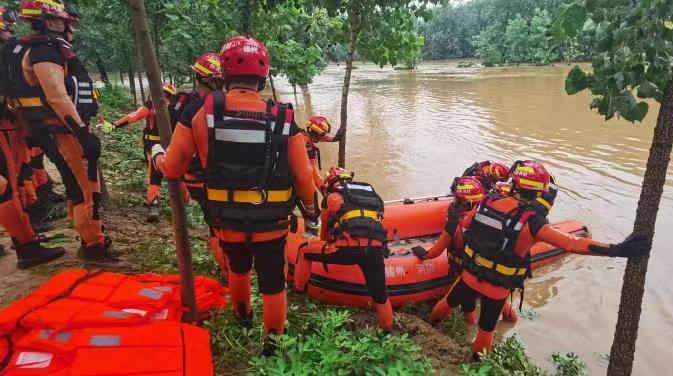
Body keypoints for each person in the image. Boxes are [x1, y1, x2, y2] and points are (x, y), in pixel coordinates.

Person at [151, 35, 318, 356]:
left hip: (226, 220)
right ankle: (272, 347)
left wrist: (157, 153)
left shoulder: (199, 113)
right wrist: (312, 214)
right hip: (271, 223)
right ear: (264, 76)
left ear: (224, 75)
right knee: (272, 284)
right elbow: (304, 178)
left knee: (238, 269)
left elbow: (172, 168)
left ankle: (243, 318)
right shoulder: (284, 119)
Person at [427, 160, 651, 359]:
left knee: (447, 304)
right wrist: (619, 249)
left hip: (470, 274)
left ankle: (429, 328)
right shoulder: (533, 222)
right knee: (486, 330)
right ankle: (476, 364)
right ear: (539, 194)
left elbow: (465, 226)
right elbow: (572, 244)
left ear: (513, 183)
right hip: (497, 287)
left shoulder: (484, 202)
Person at [2, 0, 111, 260]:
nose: (69, 30)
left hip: (45, 129)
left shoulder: (17, 50)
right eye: (65, 23)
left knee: (75, 183)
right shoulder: (44, 51)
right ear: (51, 22)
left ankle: (88, 238)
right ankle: (94, 244)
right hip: (63, 131)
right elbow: (57, 96)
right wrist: (83, 135)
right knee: (87, 187)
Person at [0, 4, 65, 268]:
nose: (11, 30)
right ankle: (27, 247)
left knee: (12, 182)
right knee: (5, 188)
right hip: (3, 126)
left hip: (8, 124)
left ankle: (28, 241)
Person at [293, 167, 393, 330]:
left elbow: (324, 235)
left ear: (331, 184)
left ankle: (298, 293)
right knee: (381, 297)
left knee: (304, 250)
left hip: (346, 249)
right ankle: (388, 329)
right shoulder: (372, 196)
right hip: (374, 249)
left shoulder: (331, 198)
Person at [412, 176, 518, 325]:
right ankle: (511, 322)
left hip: (467, 273)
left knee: (458, 304)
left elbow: (436, 251)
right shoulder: (491, 220)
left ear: (461, 201)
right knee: (496, 301)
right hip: (490, 272)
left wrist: (423, 254)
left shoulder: (455, 224)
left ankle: (433, 325)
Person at [178, 52, 228, 283]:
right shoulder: (226, 105)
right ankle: (227, 272)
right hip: (211, 179)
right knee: (218, 225)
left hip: (198, 178)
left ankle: (228, 268)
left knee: (217, 223)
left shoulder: (190, 107)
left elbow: (178, 153)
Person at [114, 81, 187, 222]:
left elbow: (133, 117)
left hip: (154, 147)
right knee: (179, 174)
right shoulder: (177, 107)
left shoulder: (151, 105)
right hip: (174, 146)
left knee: (154, 176)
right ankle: (185, 201)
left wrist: (114, 125)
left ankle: (153, 205)